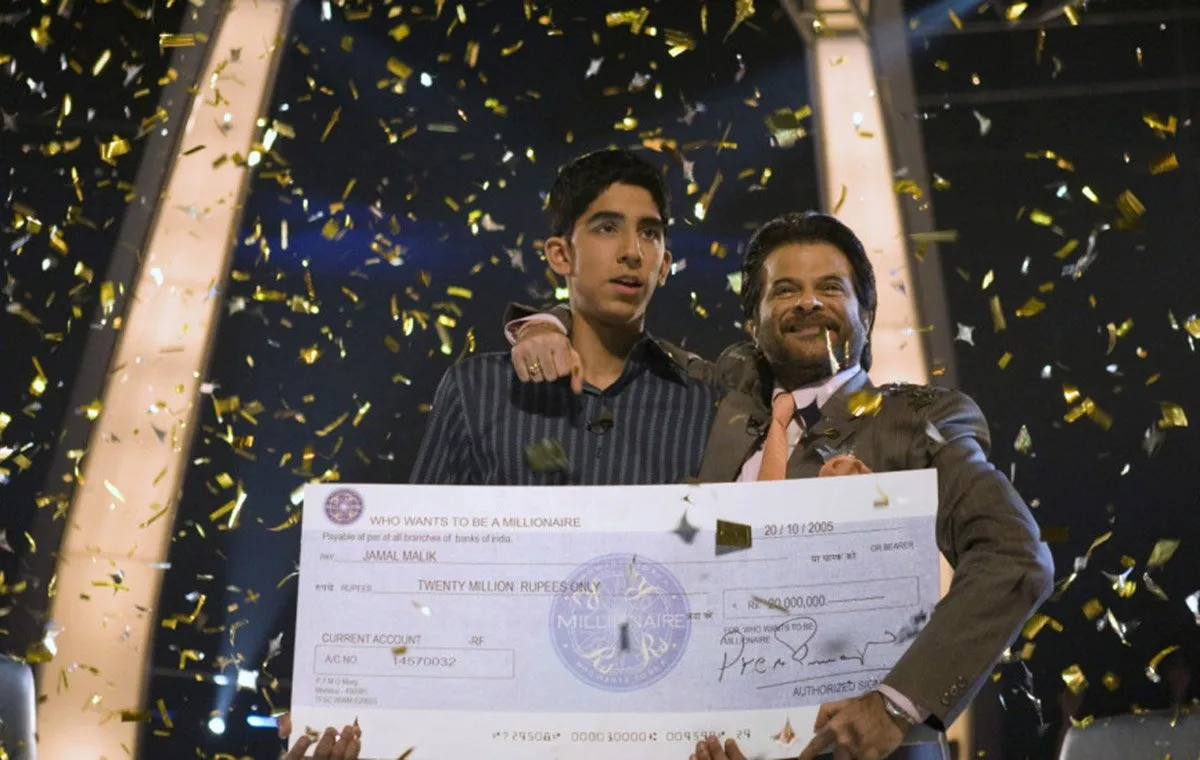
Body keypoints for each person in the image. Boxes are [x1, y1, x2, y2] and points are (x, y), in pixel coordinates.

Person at [508, 211, 1056, 760]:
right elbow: (623, 344)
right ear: (753, 322)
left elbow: (1014, 554)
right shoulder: (719, 396)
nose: (808, 303)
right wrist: (546, 325)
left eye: (830, 288)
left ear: (866, 314)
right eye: (785, 290)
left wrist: (895, 707)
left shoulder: (918, 420)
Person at [410, 149, 723, 485]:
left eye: (649, 233)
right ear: (560, 255)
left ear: (663, 266)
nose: (632, 252)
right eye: (607, 228)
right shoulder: (476, 390)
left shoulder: (707, 408)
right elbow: (421, 518)